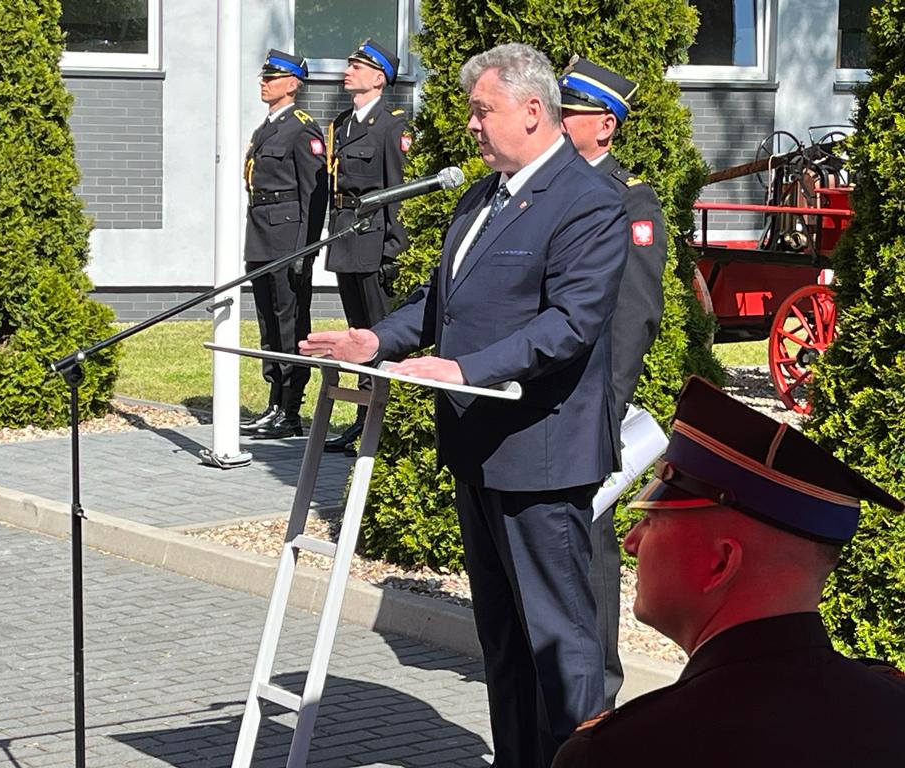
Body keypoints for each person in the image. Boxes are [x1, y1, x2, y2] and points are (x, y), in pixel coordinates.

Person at [302, 43, 628, 768]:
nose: (471, 125)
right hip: (479, 448)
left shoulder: (589, 202)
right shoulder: (482, 196)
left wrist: (464, 368)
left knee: (561, 643)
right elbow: (436, 303)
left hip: (542, 455)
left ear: (533, 110)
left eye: (483, 111)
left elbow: (570, 324)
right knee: (503, 641)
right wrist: (374, 340)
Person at [552, 376, 905, 768]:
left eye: (651, 521)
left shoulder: (617, 752)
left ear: (721, 563)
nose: (631, 542)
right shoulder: (892, 708)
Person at [559, 56, 667, 708]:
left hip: (590, 404)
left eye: (569, 112)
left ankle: (599, 692)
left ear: (605, 125)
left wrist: (607, 407)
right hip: (541, 404)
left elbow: (635, 315)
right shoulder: (547, 190)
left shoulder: (632, 199)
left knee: (591, 538)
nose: (557, 120)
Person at [323, 38, 411, 454]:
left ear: (379, 79)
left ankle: (385, 418)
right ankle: (363, 417)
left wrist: (394, 249)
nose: (347, 72)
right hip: (346, 238)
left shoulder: (392, 126)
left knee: (379, 333)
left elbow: (398, 192)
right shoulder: (342, 124)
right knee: (356, 330)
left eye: (356, 67)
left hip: (374, 242)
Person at [239, 50, 327, 439]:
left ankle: (291, 409)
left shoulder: (302, 129)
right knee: (268, 323)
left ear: (292, 85)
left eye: (271, 78)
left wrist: (305, 250)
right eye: (264, 77)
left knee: (290, 322)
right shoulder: (265, 130)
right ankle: (274, 401)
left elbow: (314, 195)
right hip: (261, 235)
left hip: (288, 239)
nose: (264, 83)